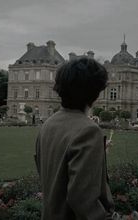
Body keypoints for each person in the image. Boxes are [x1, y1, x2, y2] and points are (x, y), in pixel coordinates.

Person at [35, 57, 116, 220]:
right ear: (95, 93)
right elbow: (83, 201)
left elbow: (52, 170)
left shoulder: (48, 124)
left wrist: (96, 153)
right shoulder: (88, 131)